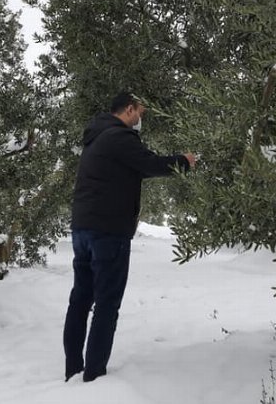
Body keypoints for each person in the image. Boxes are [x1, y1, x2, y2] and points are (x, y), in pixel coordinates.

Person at [63, 92, 196, 382]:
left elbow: (133, 169)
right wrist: (184, 161)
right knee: (107, 303)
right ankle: (93, 375)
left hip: (83, 227)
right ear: (129, 109)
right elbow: (150, 164)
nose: (140, 119)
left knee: (81, 298)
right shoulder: (118, 137)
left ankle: (73, 368)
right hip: (108, 231)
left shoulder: (96, 137)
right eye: (140, 113)